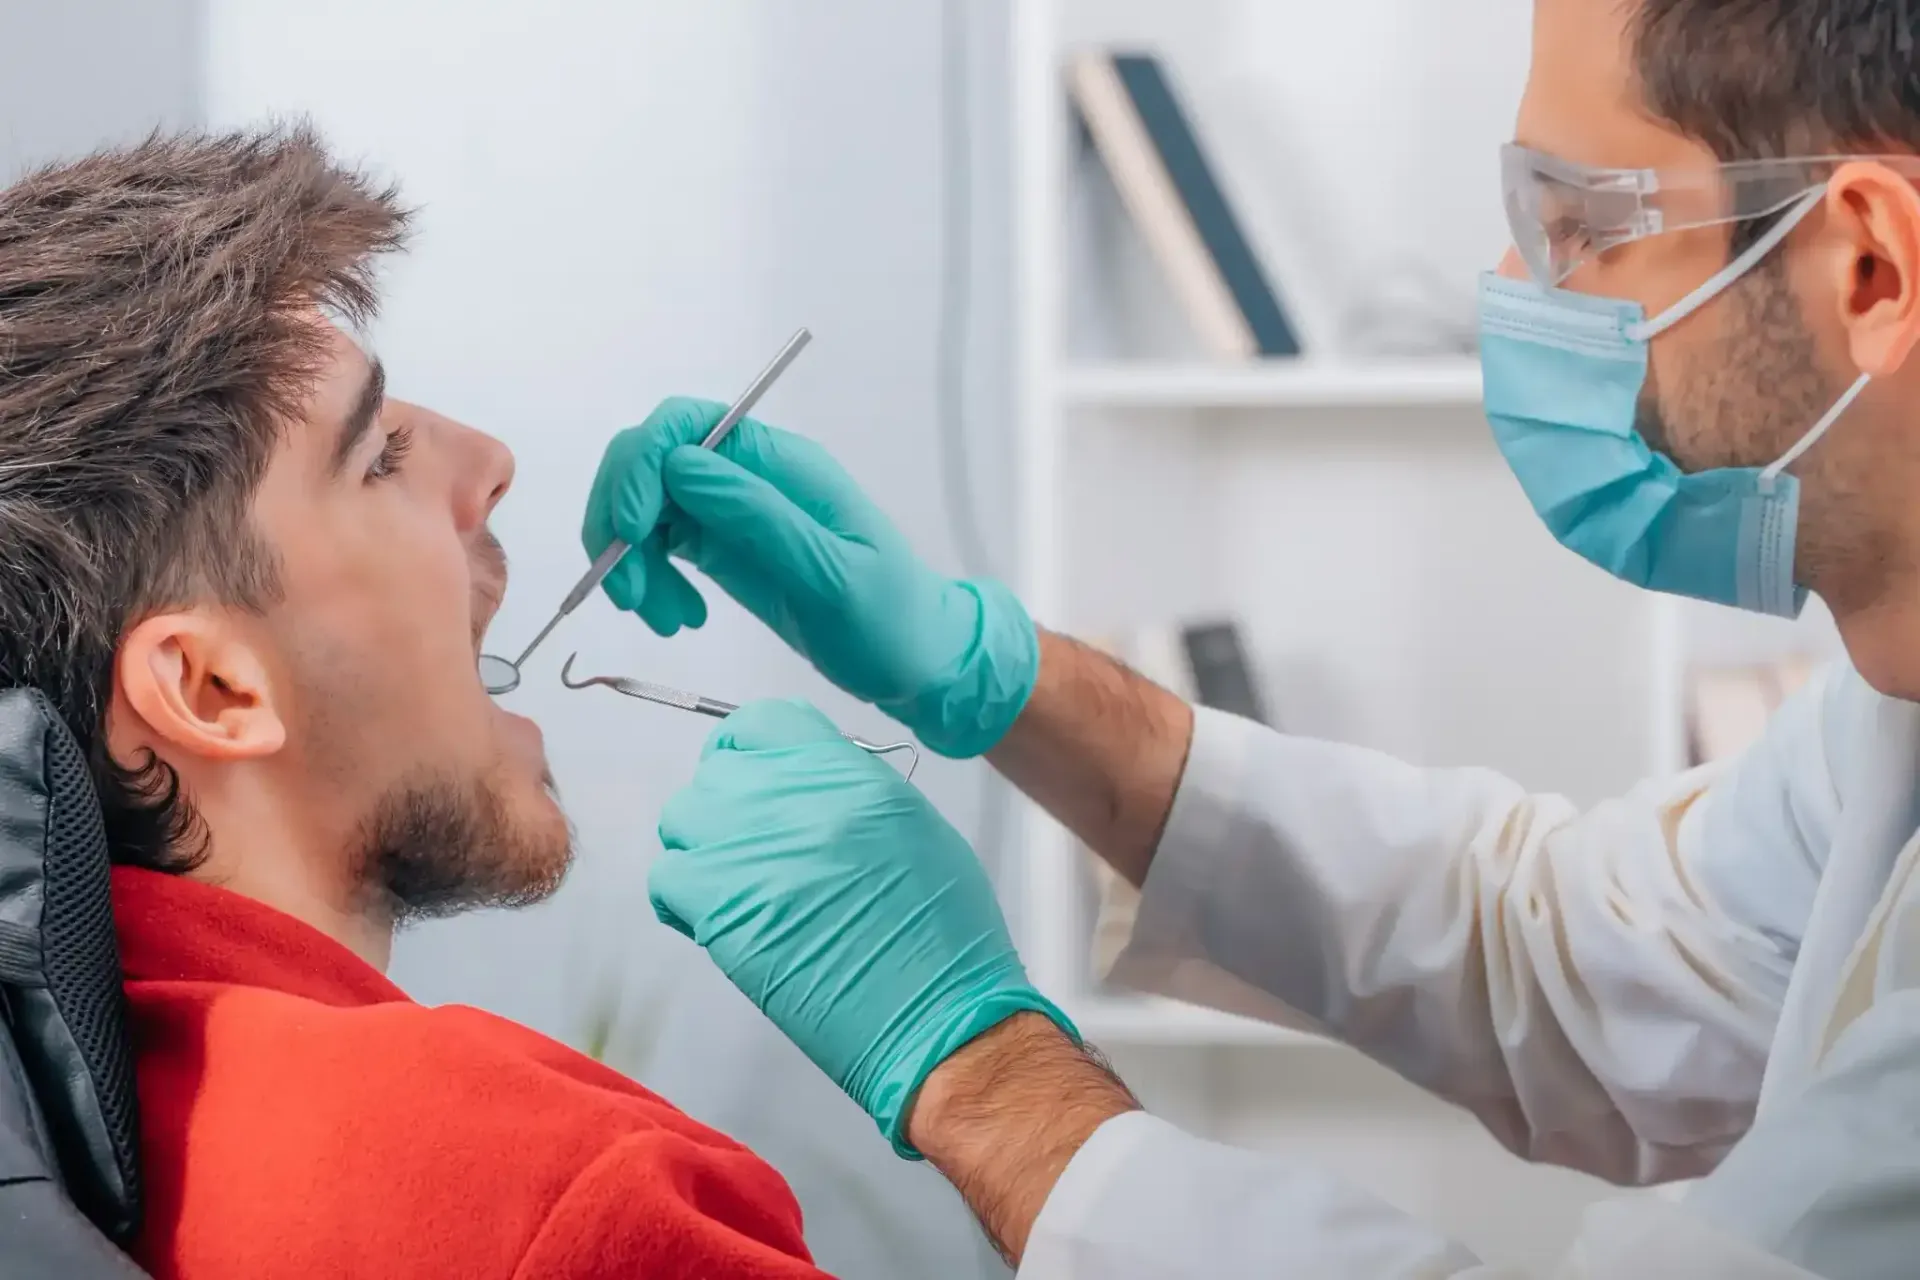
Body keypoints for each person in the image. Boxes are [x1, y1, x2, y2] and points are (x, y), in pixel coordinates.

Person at [585, 0, 1920, 1275]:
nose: (1516, 286)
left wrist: (973, 1069)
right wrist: (992, 677)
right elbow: (1582, 958)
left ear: (1872, 267)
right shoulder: (1888, 706)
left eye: (1581, 224)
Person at [0, 127, 836, 1279]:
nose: (490, 461)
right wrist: (974, 1064)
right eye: (381, 454)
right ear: (211, 687)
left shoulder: (62, 1121)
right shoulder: (548, 1199)